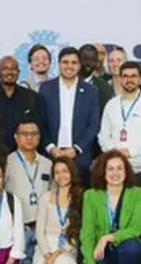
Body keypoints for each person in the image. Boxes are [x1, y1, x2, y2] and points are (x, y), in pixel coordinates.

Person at [81, 150, 141, 264]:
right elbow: (87, 234)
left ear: (126, 172)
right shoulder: (91, 195)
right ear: (103, 172)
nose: (115, 173)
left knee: (132, 246)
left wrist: (107, 238)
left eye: (119, 168)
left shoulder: (138, 193)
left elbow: (137, 228)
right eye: (110, 168)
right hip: (100, 254)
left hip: (125, 249)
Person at [4, 120, 52, 264]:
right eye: (25, 134)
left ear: (39, 138)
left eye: (34, 134)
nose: (29, 138)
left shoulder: (47, 164)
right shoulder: (7, 163)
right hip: (19, 225)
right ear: (16, 138)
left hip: (42, 225)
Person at [39, 47, 100, 181]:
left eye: (74, 62)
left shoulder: (91, 91)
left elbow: (94, 125)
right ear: (59, 64)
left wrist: (76, 149)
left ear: (79, 65)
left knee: (79, 199)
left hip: (80, 158)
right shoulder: (46, 88)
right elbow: (40, 122)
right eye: (65, 62)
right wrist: (51, 148)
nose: (69, 66)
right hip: (51, 156)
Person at [97, 61, 141, 182]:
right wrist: (115, 152)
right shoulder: (111, 104)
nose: (129, 80)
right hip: (115, 169)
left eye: (133, 76)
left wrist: (130, 152)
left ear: (140, 79)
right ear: (120, 79)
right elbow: (103, 136)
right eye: (125, 76)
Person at [32, 157, 82, 264]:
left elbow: (79, 232)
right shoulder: (46, 197)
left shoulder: (81, 197)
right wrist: (48, 256)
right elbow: (39, 231)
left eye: (65, 171)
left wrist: (57, 255)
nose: (62, 176)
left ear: (72, 172)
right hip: (46, 245)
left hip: (68, 246)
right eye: (57, 172)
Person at [78, 43, 114, 116]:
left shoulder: (105, 88)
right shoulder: (67, 83)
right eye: (85, 59)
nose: (88, 63)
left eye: (92, 60)